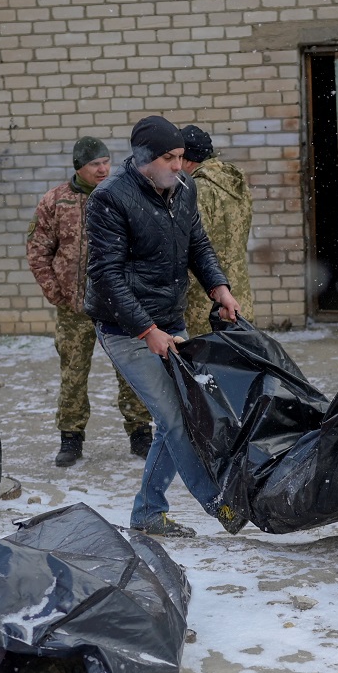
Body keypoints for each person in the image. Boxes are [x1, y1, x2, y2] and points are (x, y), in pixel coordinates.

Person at [86, 115, 242, 537]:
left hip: (169, 320)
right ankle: (220, 505)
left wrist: (219, 287)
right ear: (144, 159)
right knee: (175, 420)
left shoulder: (183, 189)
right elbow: (107, 276)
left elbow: (198, 244)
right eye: (169, 158)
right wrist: (146, 329)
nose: (179, 165)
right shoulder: (109, 200)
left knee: (185, 414)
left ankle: (147, 513)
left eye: (180, 158)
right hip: (124, 327)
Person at [26, 136, 154, 467]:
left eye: (105, 161)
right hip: (75, 310)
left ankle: (140, 433)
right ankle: (71, 438)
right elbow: (38, 249)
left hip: (119, 306)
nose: (102, 168)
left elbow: (143, 245)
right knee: (73, 373)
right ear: (78, 167)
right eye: (94, 164)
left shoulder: (123, 195)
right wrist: (57, 292)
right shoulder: (55, 201)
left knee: (131, 372)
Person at [178, 125, 254, 338]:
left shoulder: (198, 190)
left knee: (206, 366)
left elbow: (194, 247)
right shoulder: (234, 184)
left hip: (207, 302)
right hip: (239, 293)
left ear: (188, 160)